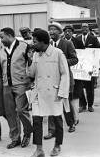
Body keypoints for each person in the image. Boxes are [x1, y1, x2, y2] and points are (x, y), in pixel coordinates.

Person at [0, 27, 33, 149]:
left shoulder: (24, 47)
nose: (1, 40)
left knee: (21, 110)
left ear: (10, 36)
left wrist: (32, 81)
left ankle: (27, 132)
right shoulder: (2, 50)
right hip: (6, 85)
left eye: (2, 37)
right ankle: (15, 138)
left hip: (21, 85)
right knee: (10, 113)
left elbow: (32, 65)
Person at [27, 29, 70, 157]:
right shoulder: (35, 54)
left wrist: (62, 92)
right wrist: (29, 61)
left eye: (35, 41)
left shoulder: (58, 53)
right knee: (37, 121)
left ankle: (57, 146)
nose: (33, 44)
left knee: (57, 120)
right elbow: (31, 74)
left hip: (54, 92)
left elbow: (65, 74)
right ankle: (39, 149)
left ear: (42, 42)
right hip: (38, 92)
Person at [44, 22, 78, 140]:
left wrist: (61, 62)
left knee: (65, 103)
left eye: (54, 30)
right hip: (50, 80)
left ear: (60, 32)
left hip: (64, 79)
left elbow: (75, 59)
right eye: (50, 30)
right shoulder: (47, 45)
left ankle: (71, 123)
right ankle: (51, 130)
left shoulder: (67, 44)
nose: (51, 32)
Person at [76, 23, 100, 113]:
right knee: (80, 88)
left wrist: (99, 64)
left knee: (90, 88)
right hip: (81, 67)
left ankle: (90, 105)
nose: (85, 29)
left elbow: (98, 51)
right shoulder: (77, 38)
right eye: (83, 27)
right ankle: (83, 104)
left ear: (88, 28)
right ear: (81, 28)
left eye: (86, 27)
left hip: (90, 67)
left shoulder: (93, 38)